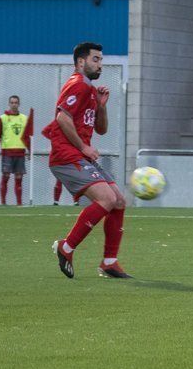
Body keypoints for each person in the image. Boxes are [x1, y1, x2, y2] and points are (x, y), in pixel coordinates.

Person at [43, 42, 130, 279]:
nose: (100, 64)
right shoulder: (78, 84)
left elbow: (101, 129)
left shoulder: (90, 90)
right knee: (107, 198)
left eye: (101, 60)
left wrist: (101, 107)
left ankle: (109, 262)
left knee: (119, 201)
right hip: (66, 155)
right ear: (81, 62)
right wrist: (83, 146)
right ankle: (66, 247)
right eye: (95, 59)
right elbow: (62, 117)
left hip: (80, 156)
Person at [0, 95, 31, 206]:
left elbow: (27, 136)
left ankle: (19, 203)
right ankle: (3, 203)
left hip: (20, 152)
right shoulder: (3, 118)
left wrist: (30, 150)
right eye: (12, 102)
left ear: (19, 104)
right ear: (9, 104)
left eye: (16, 102)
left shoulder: (24, 118)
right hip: (7, 152)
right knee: (6, 176)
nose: (14, 104)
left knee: (19, 178)